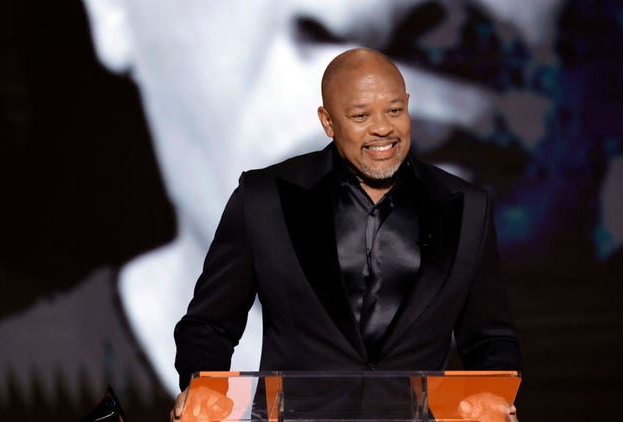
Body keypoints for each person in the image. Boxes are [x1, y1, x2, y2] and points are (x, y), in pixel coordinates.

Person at [170, 47, 521, 421]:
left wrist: (490, 394)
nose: (382, 128)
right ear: (328, 121)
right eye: (360, 115)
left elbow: (490, 338)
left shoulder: (467, 207)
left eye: (394, 110)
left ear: (408, 106)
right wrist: (204, 387)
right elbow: (209, 324)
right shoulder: (264, 199)